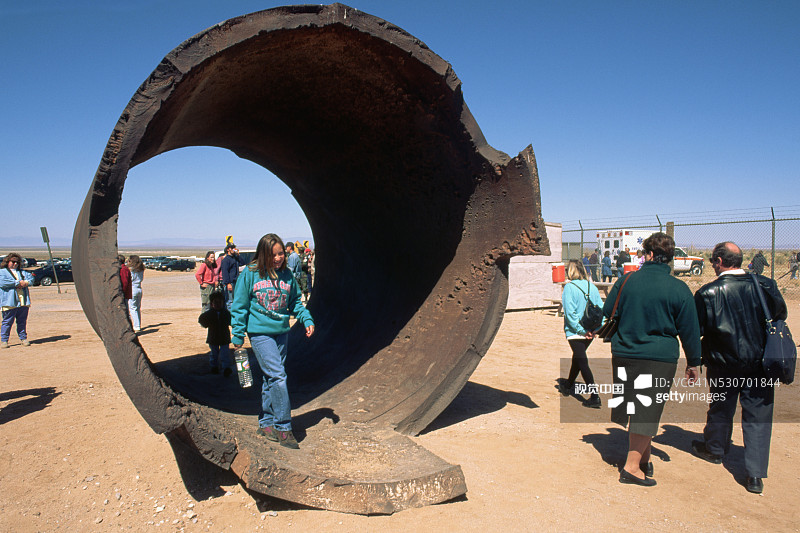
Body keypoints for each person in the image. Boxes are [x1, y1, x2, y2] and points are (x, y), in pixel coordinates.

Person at [602, 232, 701, 487]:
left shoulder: (626, 281)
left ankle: (643, 459)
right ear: (667, 258)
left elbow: (607, 311)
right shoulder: (679, 288)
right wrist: (694, 363)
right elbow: (689, 330)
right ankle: (631, 468)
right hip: (658, 357)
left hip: (624, 353)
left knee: (634, 407)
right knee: (647, 410)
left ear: (650, 255)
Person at [692, 241, 788, 494]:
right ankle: (755, 475)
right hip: (761, 363)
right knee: (758, 416)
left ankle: (714, 450)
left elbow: (698, 329)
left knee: (721, 407)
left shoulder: (707, 293)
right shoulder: (765, 284)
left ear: (719, 262)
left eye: (713, 260)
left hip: (724, 362)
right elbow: (780, 315)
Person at [231, 233, 315, 449]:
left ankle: (266, 422)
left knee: (271, 378)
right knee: (278, 376)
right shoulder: (250, 274)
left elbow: (296, 301)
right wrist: (238, 334)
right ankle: (283, 427)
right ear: (263, 254)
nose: (278, 258)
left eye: (280, 254)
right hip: (259, 333)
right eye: (273, 254)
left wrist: (306, 318)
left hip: (281, 331)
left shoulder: (287, 275)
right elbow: (239, 305)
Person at [557, 260, 603, 408]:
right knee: (578, 357)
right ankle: (568, 384)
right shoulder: (592, 286)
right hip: (591, 329)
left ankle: (594, 396)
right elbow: (601, 310)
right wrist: (595, 330)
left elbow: (570, 314)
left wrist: (581, 331)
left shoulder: (569, 288)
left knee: (582, 361)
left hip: (576, 331)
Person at [0, 253, 34, 348]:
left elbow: (31, 279)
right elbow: (3, 282)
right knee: (7, 322)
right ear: (7, 262)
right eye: (13, 261)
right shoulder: (2, 272)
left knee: (22, 321)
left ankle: (23, 338)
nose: (15, 264)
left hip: (23, 302)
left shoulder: (23, 272)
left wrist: (26, 282)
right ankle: (4, 340)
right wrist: (18, 283)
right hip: (9, 302)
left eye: (17, 262)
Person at [198, 291, 233, 376]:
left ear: (223, 303)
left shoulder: (226, 313)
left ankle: (226, 368)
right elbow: (201, 320)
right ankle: (214, 366)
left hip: (224, 337)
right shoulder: (209, 314)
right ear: (212, 304)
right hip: (213, 337)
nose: (218, 304)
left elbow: (231, 321)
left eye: (220, 302)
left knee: (225, 354)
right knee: (214, 353)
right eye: (215, 303)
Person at [220, 243, 247, 310]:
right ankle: (229, 316)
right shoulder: (226, 260)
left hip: (236, 281)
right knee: (230, 300)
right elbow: (225, 272)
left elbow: (243, 262)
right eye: (233, 248)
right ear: (229, 249)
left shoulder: (234, 258)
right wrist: (228, 283)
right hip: (230, 282)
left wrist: (238, 255)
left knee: (235, 300)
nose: (234, 250)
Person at [127, 255, 145, 332]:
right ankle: (138, 324)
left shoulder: (131, 270)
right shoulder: (141, 269)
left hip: (133, 289)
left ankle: (136, 326)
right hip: (139, 289)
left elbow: (130, 279)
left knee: (132, 308)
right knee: (137, 308)